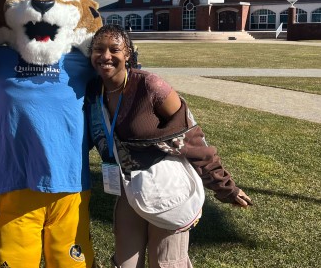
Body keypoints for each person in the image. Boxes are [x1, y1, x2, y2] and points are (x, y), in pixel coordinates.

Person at [85, 25, 252, 268]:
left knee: (166, 263)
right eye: (98, 49)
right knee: (125, 264)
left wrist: (225, 186)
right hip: (127, 187)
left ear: (128, 54)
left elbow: (193, 138)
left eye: (114, 49)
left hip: (166, 188)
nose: (106, 56)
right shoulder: (93, 92)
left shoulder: (150, 87)